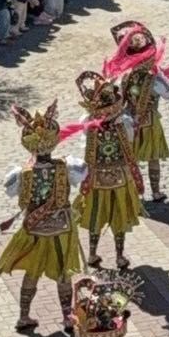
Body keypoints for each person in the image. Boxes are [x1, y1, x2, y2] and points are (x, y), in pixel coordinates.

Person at [0, 99, 84, 334]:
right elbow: (84, 177)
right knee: (64, 272)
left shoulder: (21, 173)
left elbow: (9, 190)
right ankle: (67, 317)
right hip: (61, 226)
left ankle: (24, 316)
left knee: (31, 273)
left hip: (33, 228)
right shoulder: (68, 166)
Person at [73, 69, 143, 274]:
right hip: (120, 177)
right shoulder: (125, 124)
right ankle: (120, 256)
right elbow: (130, 143)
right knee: (118, 216)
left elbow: (83, 134)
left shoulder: (89, 124)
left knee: (96, 215)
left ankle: (92, 253)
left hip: (96, 179)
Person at [107, 20, 169, 205]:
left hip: (129, 121)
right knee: (153, 157)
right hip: (150, 119)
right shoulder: (154, 78)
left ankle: (132, 191)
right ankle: (156, 191)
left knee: (130, 159)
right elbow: (168, 94)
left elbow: (118, 99)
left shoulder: (124, 77)